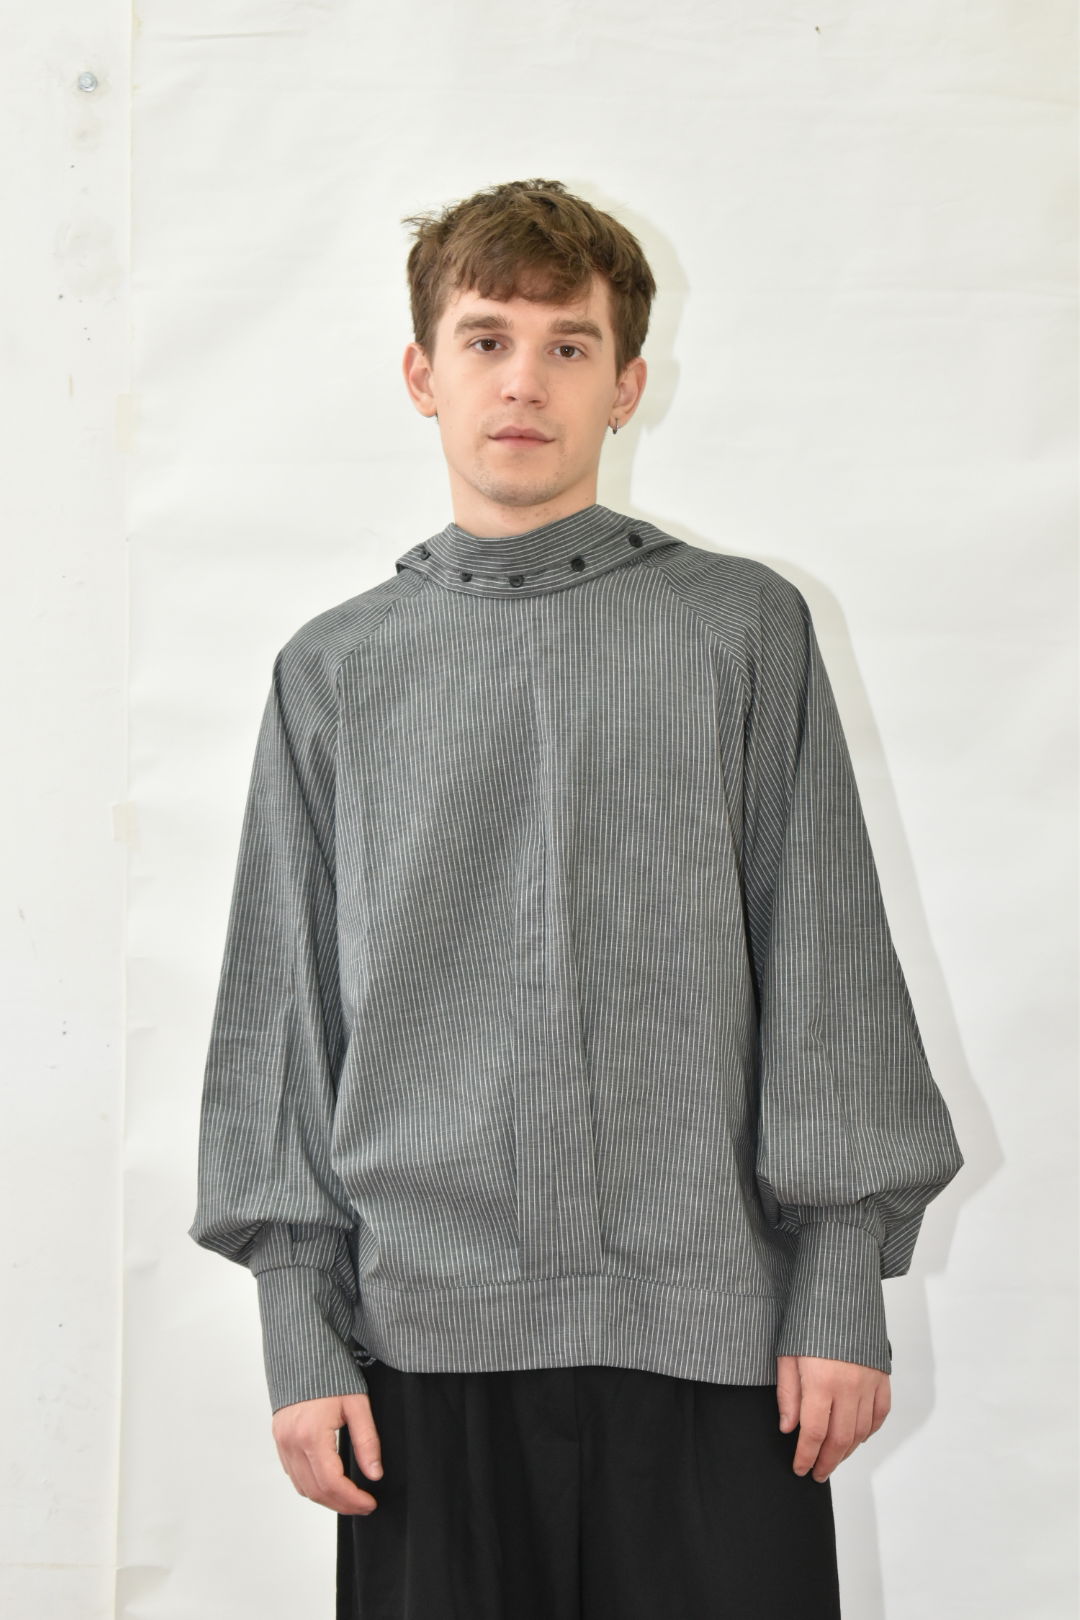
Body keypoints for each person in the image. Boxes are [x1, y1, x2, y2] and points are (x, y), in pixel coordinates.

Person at [188, 177, 965, 1619]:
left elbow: (826, 957)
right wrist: (300, 1327)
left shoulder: (742, 628)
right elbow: (281, 1019)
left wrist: (839, 1278)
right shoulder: (334, 669)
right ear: (421, 374)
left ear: (627, 385)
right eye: (485, 341)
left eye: (567, 345)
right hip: (420, 1346)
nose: (523, 381)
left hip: (716, 1337)